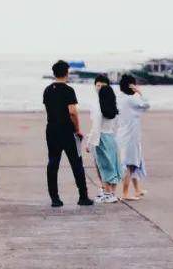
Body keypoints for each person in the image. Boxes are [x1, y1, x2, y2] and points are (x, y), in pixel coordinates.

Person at [43, 60, 93, 207]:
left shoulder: (47, 90)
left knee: (53, 163)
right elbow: (72, 112)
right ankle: (83, 197)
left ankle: (55, 199)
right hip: (66, 130)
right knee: (76, 163)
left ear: (54, 73)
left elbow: (50, 109)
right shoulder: (68, 90)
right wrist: (77, 130)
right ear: (66, 73)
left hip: (51, 129)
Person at [86, 75, 123, 203]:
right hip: (111, 138)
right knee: (113, 165)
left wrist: (89, 142)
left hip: (101, 138)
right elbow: (117, 125)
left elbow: (96, 128)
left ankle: (107, 194)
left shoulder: (99, 108)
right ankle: (111, 193)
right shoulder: (113, 106)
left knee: (104, 166)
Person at [116, 75, 149, 201]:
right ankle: (125, 193)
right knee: (131, 164)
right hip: (131, 136)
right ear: (131, 86)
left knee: (135, 162)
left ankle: (137, 189)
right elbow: (146, 105)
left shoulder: (120, 98)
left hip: (123, 134)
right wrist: (139, 92)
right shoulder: (130, 100)